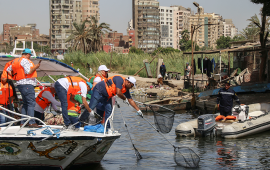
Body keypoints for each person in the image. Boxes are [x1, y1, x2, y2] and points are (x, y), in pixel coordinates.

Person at [6, 48, 41, 128]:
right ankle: (32, 122)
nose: (30, 57)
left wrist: (16, 76)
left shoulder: (15, 61)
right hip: (27, 84)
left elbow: (8, 70)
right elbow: (29, 71)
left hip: (20, 84)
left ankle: (23, 122)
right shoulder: (25, 61)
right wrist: (36, 66)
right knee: (31, 103)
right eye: (30, 55)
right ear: (27, 54)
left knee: (25, 104)